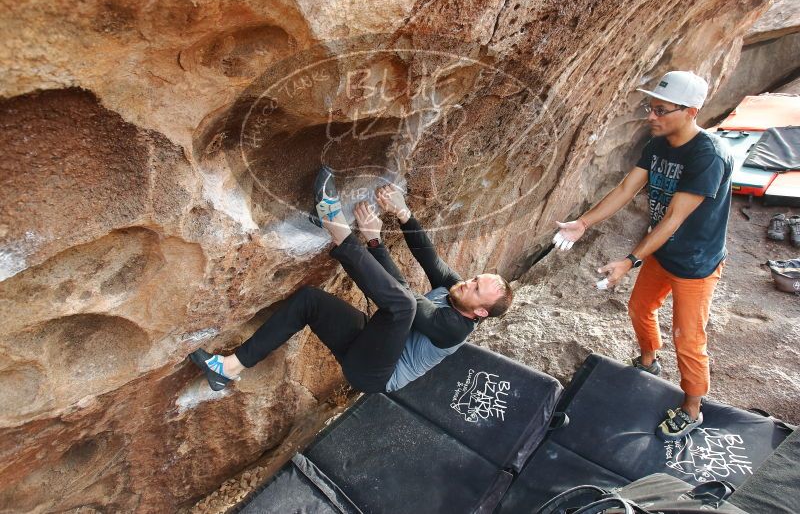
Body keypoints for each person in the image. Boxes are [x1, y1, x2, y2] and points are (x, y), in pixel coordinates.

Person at [189, 166, 513, 395]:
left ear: (480, 313)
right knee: (309, 301)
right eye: (474, 278)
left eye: (475, 288)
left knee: (402, 305)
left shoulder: (454, 330)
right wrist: (402, 214)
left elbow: (405, 302)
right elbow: (428, 255)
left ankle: (333, 221)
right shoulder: (456, 289)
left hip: (375, 373)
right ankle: (228, 368)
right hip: (368, 343)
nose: (467, 282)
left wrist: (374, 243)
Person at [552, 71, 732, 440]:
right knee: (639, 308)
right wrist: (583, 223)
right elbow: (626, 188)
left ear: (690, 111)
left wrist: (629, 261)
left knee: (689, 337)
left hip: (696, 263)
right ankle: (649, 361)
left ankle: (692, 408)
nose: (651, 116)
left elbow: (672, 220)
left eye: (661, 110)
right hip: (662, 254)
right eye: (651, 108)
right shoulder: (658, 144)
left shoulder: (708, 157)